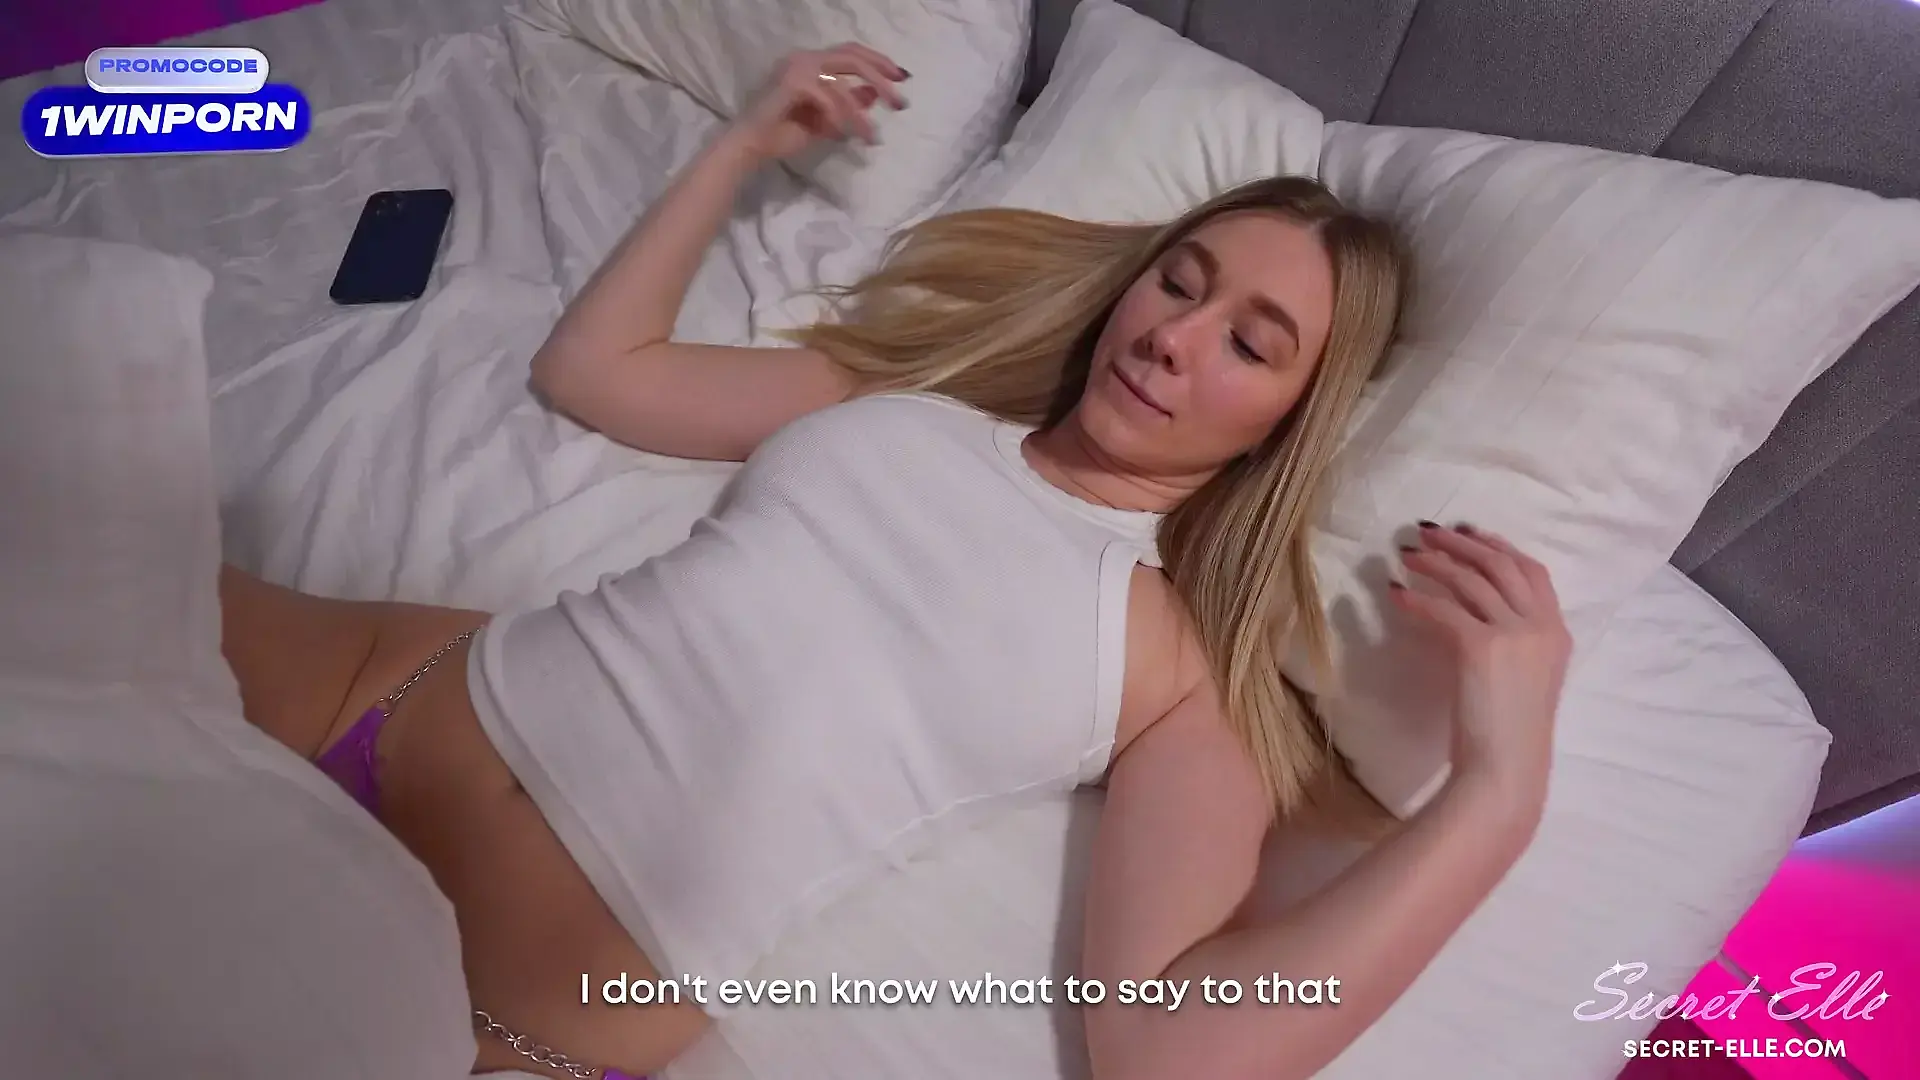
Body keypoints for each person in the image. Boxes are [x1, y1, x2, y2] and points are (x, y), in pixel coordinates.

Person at [219, 42, 1573, 1080]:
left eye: (1251, 343)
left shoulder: (1176, 669)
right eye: (1181, 280)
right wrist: (741, 147)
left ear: (1290, 420)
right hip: (393, 697)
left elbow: (1167, 1050)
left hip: (537, 993)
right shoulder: (910, 407)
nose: (1176, 337)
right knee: (97, 545)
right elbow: (601, 374)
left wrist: (1497, 793)